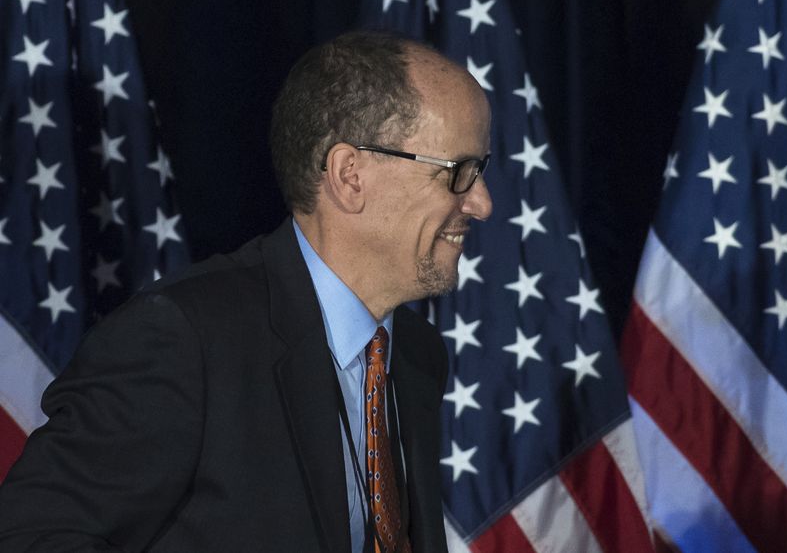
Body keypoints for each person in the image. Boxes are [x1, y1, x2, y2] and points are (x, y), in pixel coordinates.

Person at [0, 30, 493, 552]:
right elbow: (28, 538)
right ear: (351, 176)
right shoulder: (184, 339)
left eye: (479, 172)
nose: (481, 203)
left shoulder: (416, 355)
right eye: (458, 172)